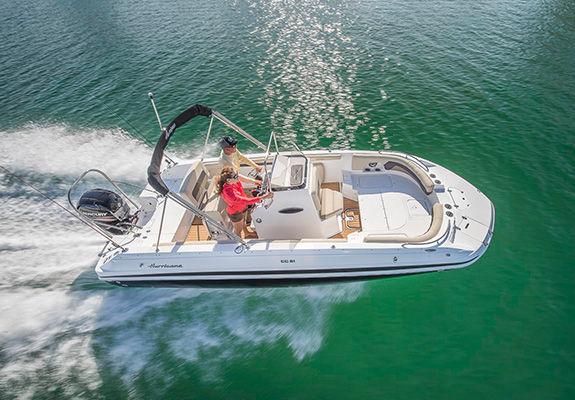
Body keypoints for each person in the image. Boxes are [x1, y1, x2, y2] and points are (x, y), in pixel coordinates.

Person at [215, 167, 273, 238]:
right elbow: (246, 201)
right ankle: (238, 242)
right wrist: (264, 197)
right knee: (238, 230)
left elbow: (242, 178)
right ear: (228, 180)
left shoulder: (234, 180)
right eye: (236, 176)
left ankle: (246, 233)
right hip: (236, 212)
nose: (238, 176)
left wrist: (255, 182)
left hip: (242, 207)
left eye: (237, 174)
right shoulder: (229, 194)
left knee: (244, 221)